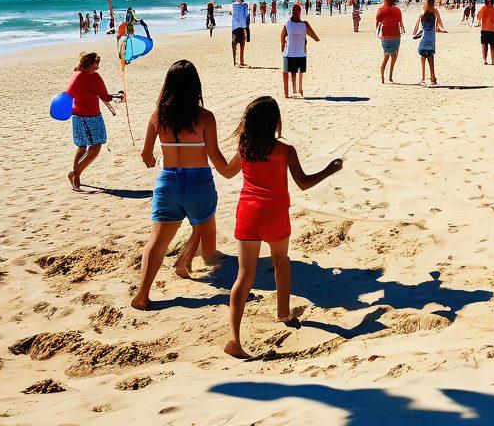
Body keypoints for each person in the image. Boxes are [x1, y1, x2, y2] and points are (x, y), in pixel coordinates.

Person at [217, 96, 343, 358]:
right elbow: (304, 183)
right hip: (274, 213)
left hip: (248, 213)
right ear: (275, 122)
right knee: (280, 261)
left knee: (244, 275)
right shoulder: (285, 151)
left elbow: (227, 172)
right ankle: (283, 314)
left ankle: (235, 340)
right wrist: (329, 170)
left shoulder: (244, 146)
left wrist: (209, 150)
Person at [131, 60, 229, 310]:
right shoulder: (205, 118)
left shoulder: (157, 117)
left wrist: (152, 157)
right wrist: (234, 164)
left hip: (168, 183)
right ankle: (188, 262)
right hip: (198, 182)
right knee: (205, 228)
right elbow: (216, 157)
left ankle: (142, 294)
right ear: (195, 87)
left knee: (157, 240)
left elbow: (146, 156)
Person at [66, 52, 121, 191]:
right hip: (92, 117)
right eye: (96, 63)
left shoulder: (76, 74)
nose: (98, 66)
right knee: (95, 148)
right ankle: (75, 174)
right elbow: (105, 96)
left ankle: (75, 178)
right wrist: (120, 96)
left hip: (77, 117)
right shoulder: (94, 77)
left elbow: (69, 94)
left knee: (82, 147)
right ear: (90, 64)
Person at [281, 3, 319, 98]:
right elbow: (314, 36)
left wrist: (282, 48)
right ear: (300, 12)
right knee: (298, 71)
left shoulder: (287, 24)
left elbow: (282, 36)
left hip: (290, 53)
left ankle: (288, 93)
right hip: (300, 54)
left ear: (292, 11)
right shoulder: (304, 24)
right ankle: (299, 89)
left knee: (289, 70)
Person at [413, 0, 445, 85]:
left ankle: (423, 78)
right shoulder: (435, 12)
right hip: (431, 38)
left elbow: (416, 28)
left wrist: (415, 33)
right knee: (431, 59)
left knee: (423, 58)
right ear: (433, 3)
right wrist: (442, 29)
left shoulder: (422, 13)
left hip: (423, 39)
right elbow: (440, 23)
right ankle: (433, 79)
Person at [376, 0, 404, 83]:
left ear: (386, 0)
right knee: (394, 56)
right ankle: (390, 76)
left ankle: (382, 73)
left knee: (386, 55)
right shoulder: (397, 10)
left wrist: (378, 34)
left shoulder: (381, 10)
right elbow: (400, 22)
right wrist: (403, 29)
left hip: (385, 35)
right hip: (396, 34)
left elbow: (378, 23)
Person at [477, 0, 494, 65]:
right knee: (485, 45)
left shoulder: (493, 9)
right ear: (486, 2)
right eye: (488, 2)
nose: (489, 3)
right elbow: (479, 17)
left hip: (492, 29)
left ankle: (492, 60)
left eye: (490, 2)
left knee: (492, 45)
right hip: (485, 29)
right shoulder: (484, 8)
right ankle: (485, 60)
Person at [231, 0, 250, 67]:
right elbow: (247, 15)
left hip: (234, 27)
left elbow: (231, 13)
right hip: (243, 26)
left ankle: (234, 62)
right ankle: (241, 61)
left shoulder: (232, 5)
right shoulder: (245, 5)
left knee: (233, 44)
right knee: (242, 45)